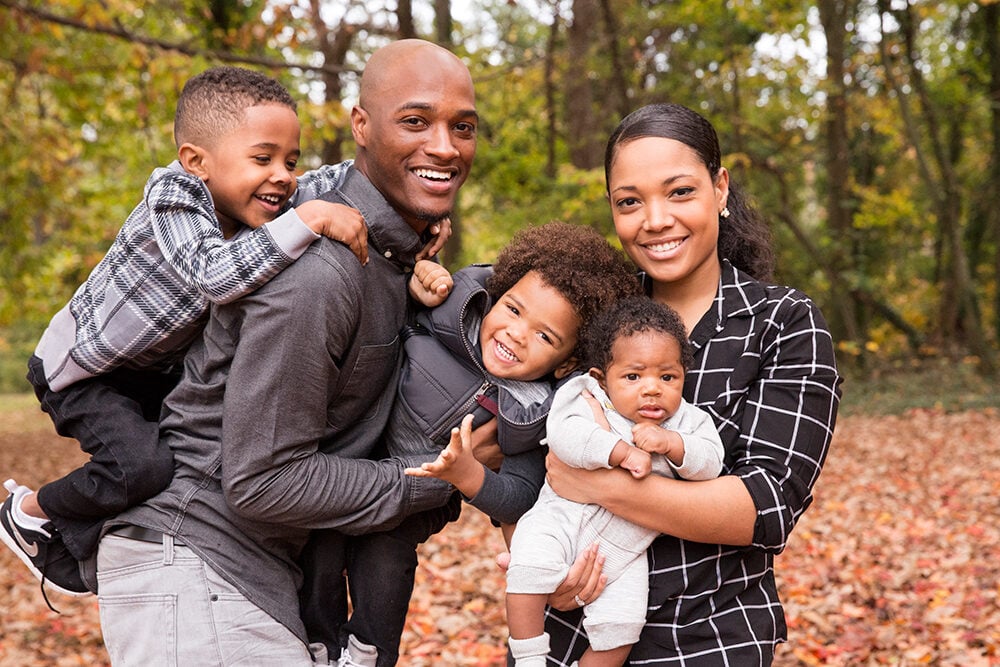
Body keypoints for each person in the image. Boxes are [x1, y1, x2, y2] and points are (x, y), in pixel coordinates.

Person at [88, 39, 477, 666]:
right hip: (200, 567)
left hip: (256, 577)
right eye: (415, 120)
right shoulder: (320, 270)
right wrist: (436, 479)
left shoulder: (389, 254)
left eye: (463, 127)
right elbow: (264, 482)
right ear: (361, 126)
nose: (445, 146)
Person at [0, 65, 399, 601]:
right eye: (262, 159)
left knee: (184, 458)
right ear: (196, 162)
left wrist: (403, 200)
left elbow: (335, 180)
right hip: (83, 372)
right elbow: (215, 275)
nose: (283, 176)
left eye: (289, 160)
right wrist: (310, 221)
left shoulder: (265, 200)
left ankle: (115, 545)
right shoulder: (175, 198)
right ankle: (27, 512)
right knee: (139, 466)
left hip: (152, 370)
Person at [537, 103, 842, 665]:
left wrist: (600, 484)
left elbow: (766, 506)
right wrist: (536, 561)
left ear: (720, 188)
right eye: (629, 201)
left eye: (679, 191)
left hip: (710, 637)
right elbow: (519, 435)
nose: (654, 220)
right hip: (572, 633)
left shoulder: (784, 323)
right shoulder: (595, 312)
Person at [330, 221, 641, 667]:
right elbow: (391, 305)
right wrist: (421, 281)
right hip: (348, 456)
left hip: (405, 510)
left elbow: (518, 498)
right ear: (497, 296)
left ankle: (366, 654)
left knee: (385, 570)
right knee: (319, 565)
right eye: (513, 310)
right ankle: (317, 645)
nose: (517, 333)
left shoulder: (533, 416)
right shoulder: (450, 316)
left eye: (544, 336)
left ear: (567, 361)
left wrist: (470, 475)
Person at [505, 295, 724, 667]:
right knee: (527, 572)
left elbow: (712, 463)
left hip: (624, 552)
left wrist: (673, 444)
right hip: (561, 519)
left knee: (622, 627)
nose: (652, 388)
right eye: (633, 376)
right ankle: (529, 658)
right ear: (602, 378)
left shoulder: (689, 423)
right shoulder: (587, 397)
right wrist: (619, 452)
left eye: (667, 377)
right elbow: (565, 438)